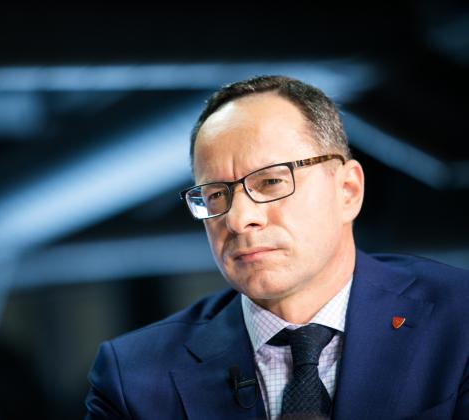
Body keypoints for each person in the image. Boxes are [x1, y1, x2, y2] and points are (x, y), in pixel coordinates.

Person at [85, 75, 469, 419]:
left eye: (270, 182)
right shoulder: (133, 378)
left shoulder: (460, 320)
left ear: (348, 191)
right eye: (215, 194)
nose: (238, 219)